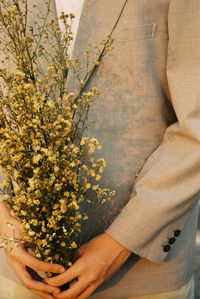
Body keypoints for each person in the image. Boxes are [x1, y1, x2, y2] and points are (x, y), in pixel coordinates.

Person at [0, 0, 199, 298]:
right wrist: (3, 220)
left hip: (141, 277)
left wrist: (120, 243)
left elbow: (194, 126)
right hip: (21, 272)